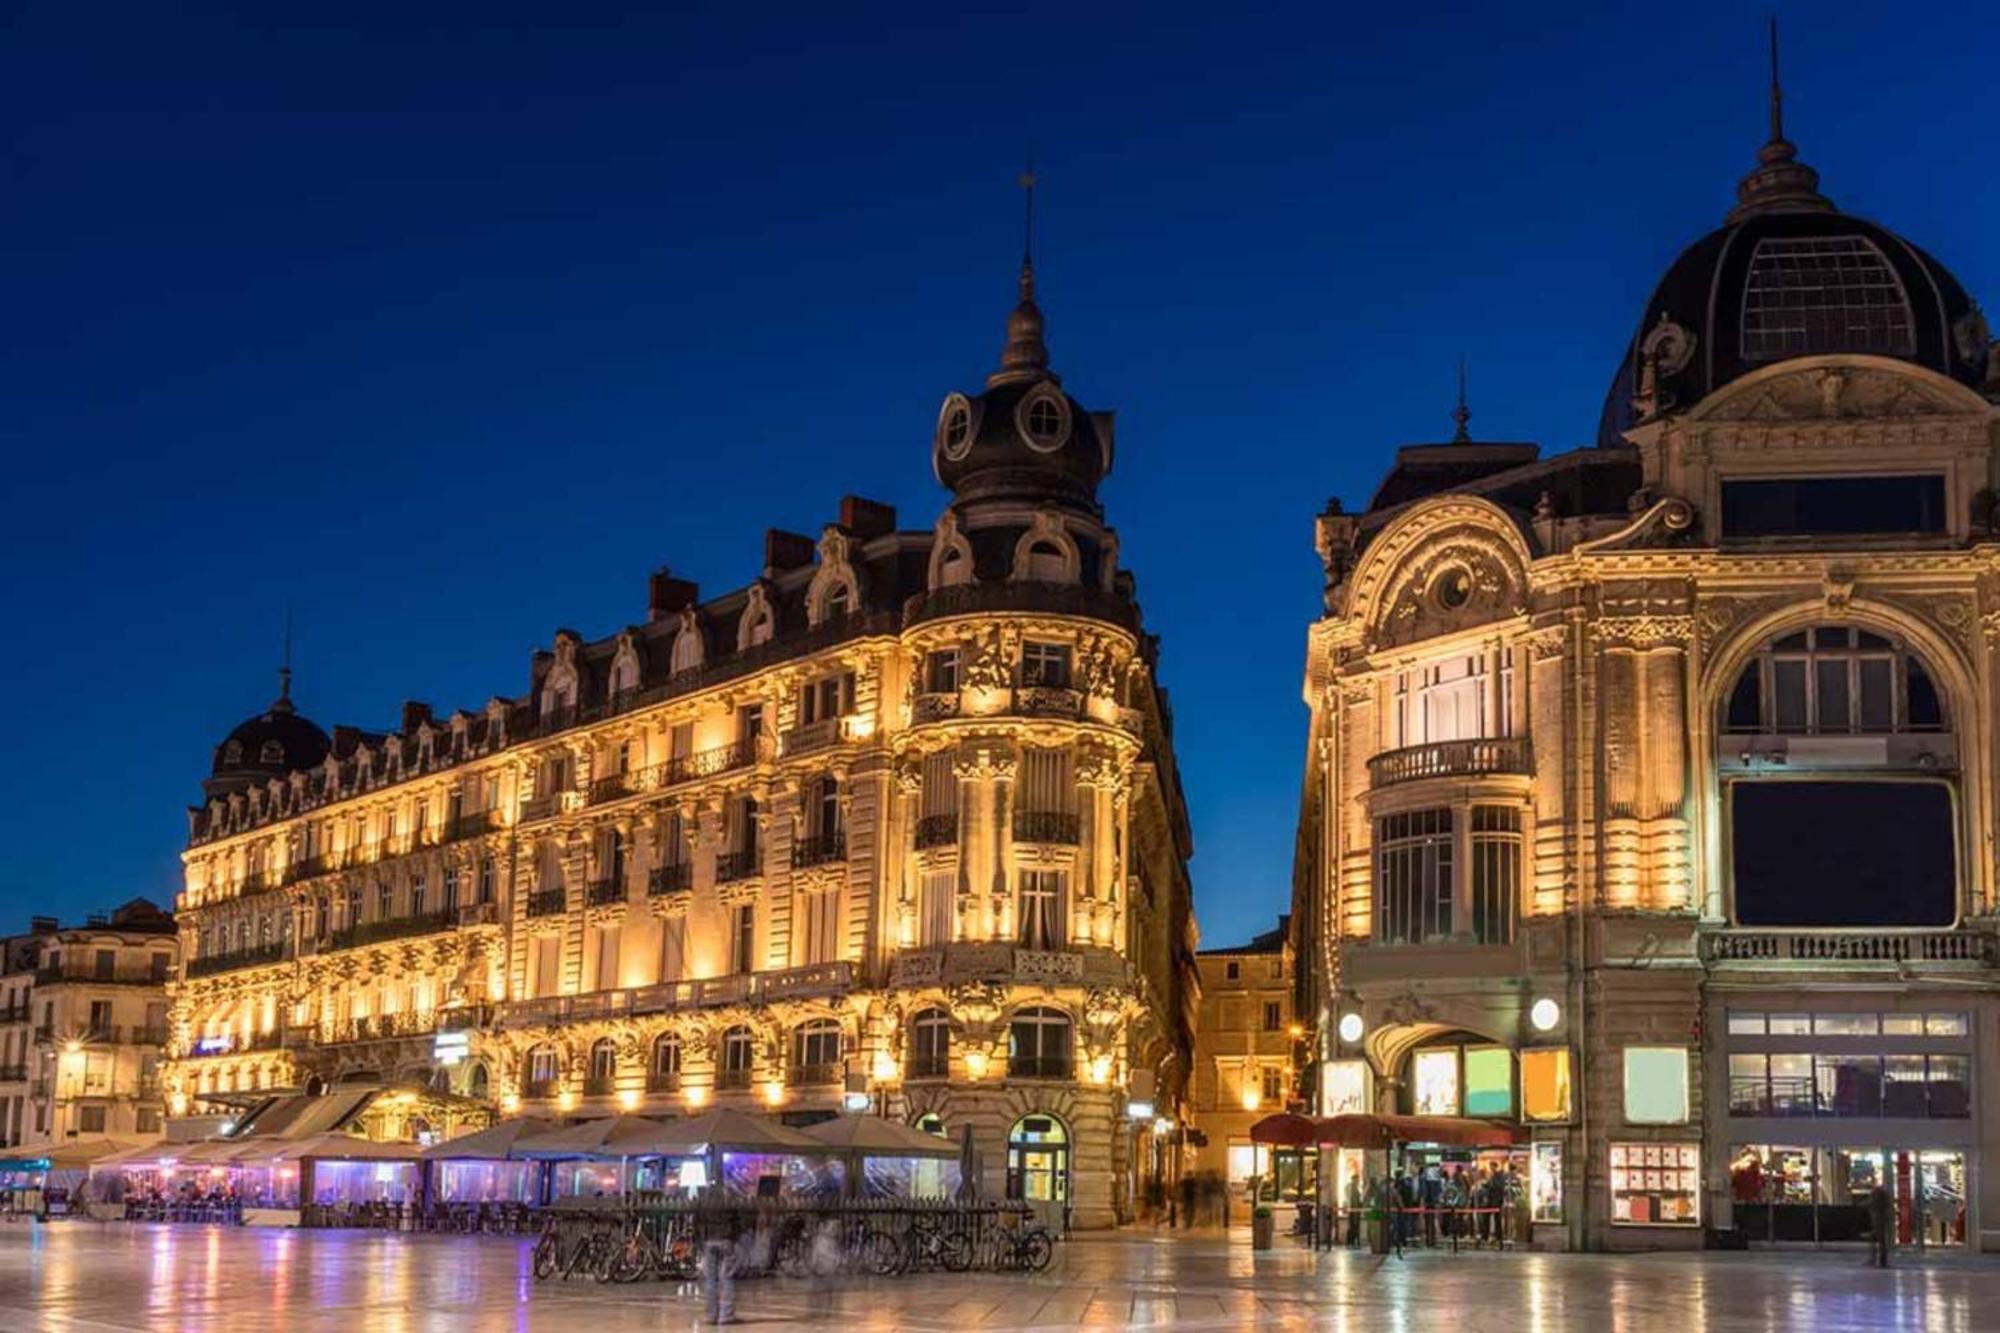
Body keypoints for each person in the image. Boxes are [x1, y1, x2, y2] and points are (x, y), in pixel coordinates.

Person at [1868, 1184, 1892, 1268]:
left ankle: (1879, 1260)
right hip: (1879, 1221)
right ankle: (1877, 1259)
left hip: (1878, 1221)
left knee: (1880, 1240)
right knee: (1877, 1240)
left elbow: (1871, 1205)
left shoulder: (1877, 1199)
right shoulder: (1884, 1198)